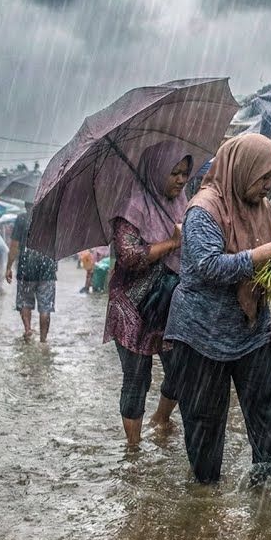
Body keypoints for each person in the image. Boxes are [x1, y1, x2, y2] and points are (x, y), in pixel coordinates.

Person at [164, 133, 271, 493]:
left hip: (249, 325)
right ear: (243, 169)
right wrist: (262, 255)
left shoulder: (262, 208)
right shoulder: (204, 209)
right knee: (205, 416)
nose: (269, 186)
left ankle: (270, 476)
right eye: (265, 178)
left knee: (268, 399)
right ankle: (206, 488)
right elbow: (206, 267)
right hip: (201, 333)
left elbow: (269, 256)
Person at [105, 141, 191, 447]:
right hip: (132, 306)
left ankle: (161, 418)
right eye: (174, 173)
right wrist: (171, 243)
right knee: (137, 377)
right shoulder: (131, 209)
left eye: (185, 173)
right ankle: (133, 449)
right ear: (156, 173)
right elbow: (128, 256)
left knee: (181, 370)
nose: (181, 180)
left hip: (170, 302)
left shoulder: (183, 203)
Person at [6, 208, 58, 343]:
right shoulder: (50, 218)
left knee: (25, 302)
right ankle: (43, 340)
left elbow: (14, 245)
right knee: (46, 306)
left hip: (26, 268)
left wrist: (9, 267)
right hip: (47, 268)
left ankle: (28, 330)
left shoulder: (21, 219)